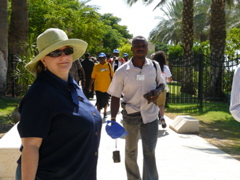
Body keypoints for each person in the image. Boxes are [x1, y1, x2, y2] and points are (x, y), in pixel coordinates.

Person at [15, 28, 102, 180]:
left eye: (67, 51)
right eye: (55, 52)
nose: (63, 57)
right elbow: (31, 146)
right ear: (43, 59)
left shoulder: (72, 85)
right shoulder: (39, 95)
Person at [108, 36, 164, 180]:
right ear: (132, 49)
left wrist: (156, 92)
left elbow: (162, 84)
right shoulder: (122, 71)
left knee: (150, 151)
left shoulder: (155, 66)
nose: (140, 48)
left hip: (150, 115)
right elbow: (115, 95)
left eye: (143, 46)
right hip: (130, 115)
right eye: (137, 46)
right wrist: (113, 119)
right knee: (131, 151)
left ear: (147, 49)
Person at [89, 52, 114, 119]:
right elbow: (93, 77)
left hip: (107, 87)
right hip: (98, 87)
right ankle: (98, 112)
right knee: (98, 100)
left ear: (105, 58)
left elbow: (112, 76)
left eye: (103, 58)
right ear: (99, 58)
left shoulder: (108, 65)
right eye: (100, 58)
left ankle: (105, 112)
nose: (101, 59)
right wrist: (90, 86)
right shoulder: (96, 66)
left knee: (106, 100)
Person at [152, 51, 172, 128]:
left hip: (153, 88)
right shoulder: (165, 67)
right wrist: (166, 79)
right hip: (162, 88)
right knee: (161, 105)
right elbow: (170, 79)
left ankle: (152, 119)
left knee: (152, 104)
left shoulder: (152, 67)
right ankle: (162, 117)